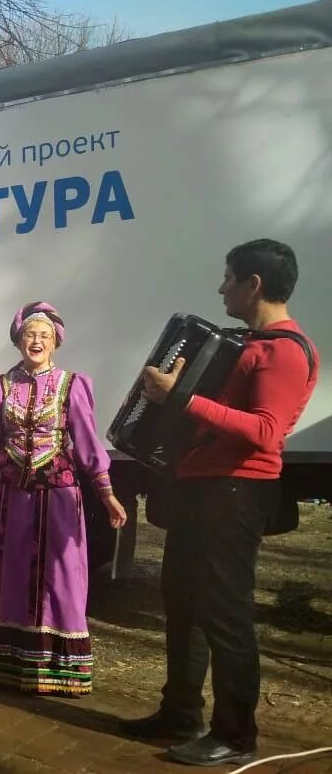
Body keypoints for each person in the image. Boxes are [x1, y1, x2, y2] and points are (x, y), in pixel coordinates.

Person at [121, 239, 319, 767]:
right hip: (201, 487)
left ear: (254, 284)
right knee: (182, 602)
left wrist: (181, 398)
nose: (221, 287)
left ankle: (235, 735)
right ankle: (180, 713)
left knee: (225, 613)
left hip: (235, 493)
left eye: (228, 278)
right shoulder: (248, 345)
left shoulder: (284, 352)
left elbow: (266, 431)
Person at [0, 302, 127, 695]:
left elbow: (86, 442)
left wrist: (107, 494)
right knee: (7, 570)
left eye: (44, 336)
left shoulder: (71, 385)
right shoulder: (1, 384)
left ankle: (54, 666)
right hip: (6, 496)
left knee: (59, 573)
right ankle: (3, 659)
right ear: (18, 339)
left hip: (56, 496)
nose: (36, 341)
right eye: (30, 334)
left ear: (56, 343)